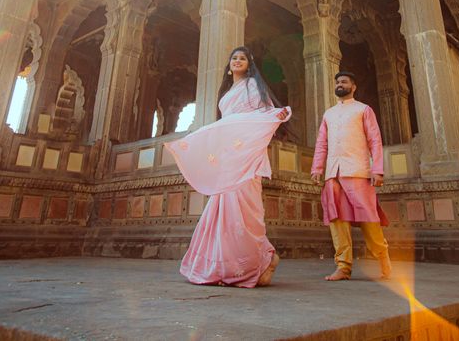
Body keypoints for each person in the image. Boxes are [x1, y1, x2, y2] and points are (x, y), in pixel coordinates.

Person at [164, 46, 291, 287]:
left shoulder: (252, 85)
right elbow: (224, 124)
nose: (238, 61)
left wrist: (276, 115)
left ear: (249, 64)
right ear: (229, 64)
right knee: (223, 206)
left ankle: (259, 259)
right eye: (234, 58)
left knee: (245, 208)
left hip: (246, 153)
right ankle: (233, 266)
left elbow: (262, 112)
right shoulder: (227, 90)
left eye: (243, 58)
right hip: (228, 154)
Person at [310, 71, 392, 281]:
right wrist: (317, 168)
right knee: (337, 220)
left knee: (369, 219)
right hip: (333, 172)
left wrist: (378, 169)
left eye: (344, 82)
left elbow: (374, 139)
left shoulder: (363, 110)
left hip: (357, 170)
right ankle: (343, 266)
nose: (340, 84)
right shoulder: (328, 114)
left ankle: (382, 257)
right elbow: (322, 143)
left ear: (353, 87)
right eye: (337, 82)